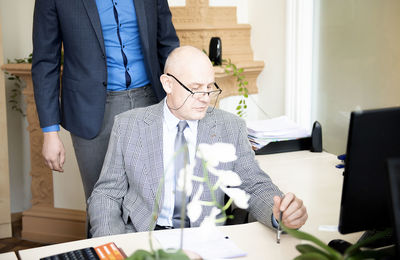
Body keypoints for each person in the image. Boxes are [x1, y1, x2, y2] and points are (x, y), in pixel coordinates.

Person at [88, 46, 308, 237]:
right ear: (168, 84)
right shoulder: (128, 126)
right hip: (142, 235)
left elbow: (254, 185)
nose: (205, 97)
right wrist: (110, 244)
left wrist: (279, 212)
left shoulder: (230, 127)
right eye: (195, 88)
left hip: (205, 239)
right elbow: (107, 193)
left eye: (209, 87)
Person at [31, 0, 179, 201]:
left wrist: (180, 102)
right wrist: (50, 132)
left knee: (154, 199)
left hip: (150, 102)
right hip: (90, 111)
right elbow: (45, 62)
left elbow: (167, 44)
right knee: (100, 202)